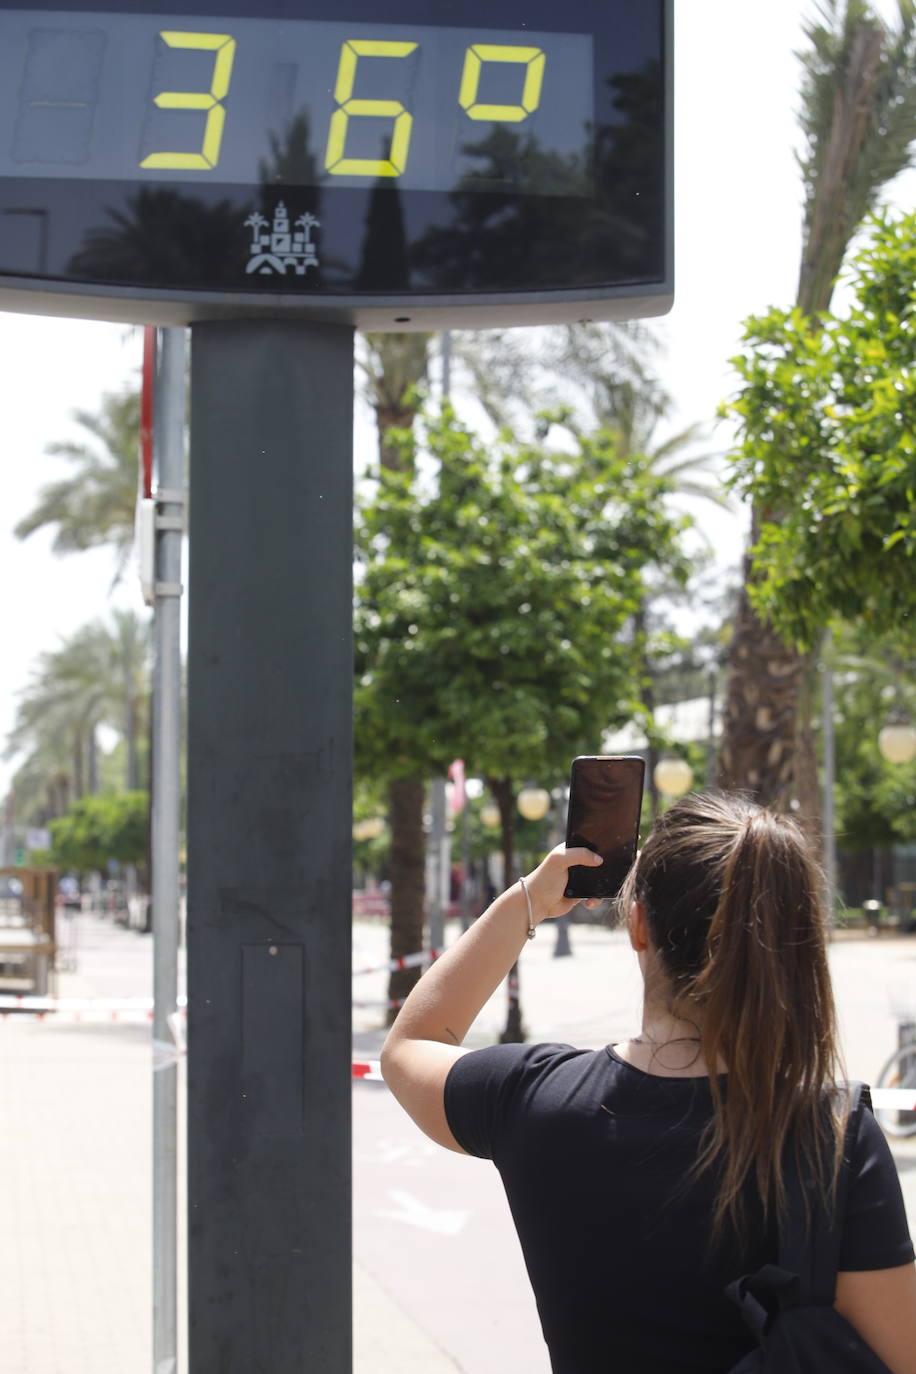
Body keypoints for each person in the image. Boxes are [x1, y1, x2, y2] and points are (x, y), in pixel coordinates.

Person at [381, 791, 916, 1373]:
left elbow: (410, 1045)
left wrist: (528, 901)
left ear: (639, 926)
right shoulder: (833, 1134)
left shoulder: (535, 1098)